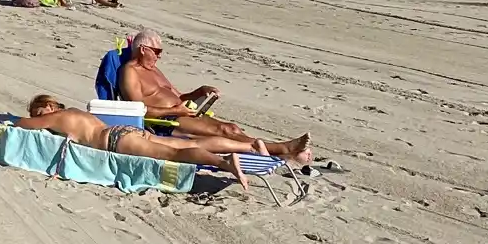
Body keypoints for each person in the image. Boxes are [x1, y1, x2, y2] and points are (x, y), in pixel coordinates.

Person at [19, 95, 311, 181]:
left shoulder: (55, 118)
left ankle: (225, 164)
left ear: (47, 107)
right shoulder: (71, 111)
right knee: (189, 144)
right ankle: (269, 149)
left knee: (176, 155)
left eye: (41, 109)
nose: (42, 114)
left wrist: (29, 120)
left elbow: (23, 123)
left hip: (115, 141)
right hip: (129, 132)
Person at [117, 31, 296, 149]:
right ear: (142, 50)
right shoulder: (130, 72)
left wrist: (200, 92)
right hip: (166, 121)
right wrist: (174, 110)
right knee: (226, 131)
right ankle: (281, 148)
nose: (159, 55)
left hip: (182, 113)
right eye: (156, 51)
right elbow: (137, 109)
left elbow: (179, 96)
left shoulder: (153, 70)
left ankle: (276, 150)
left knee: (231, 128)